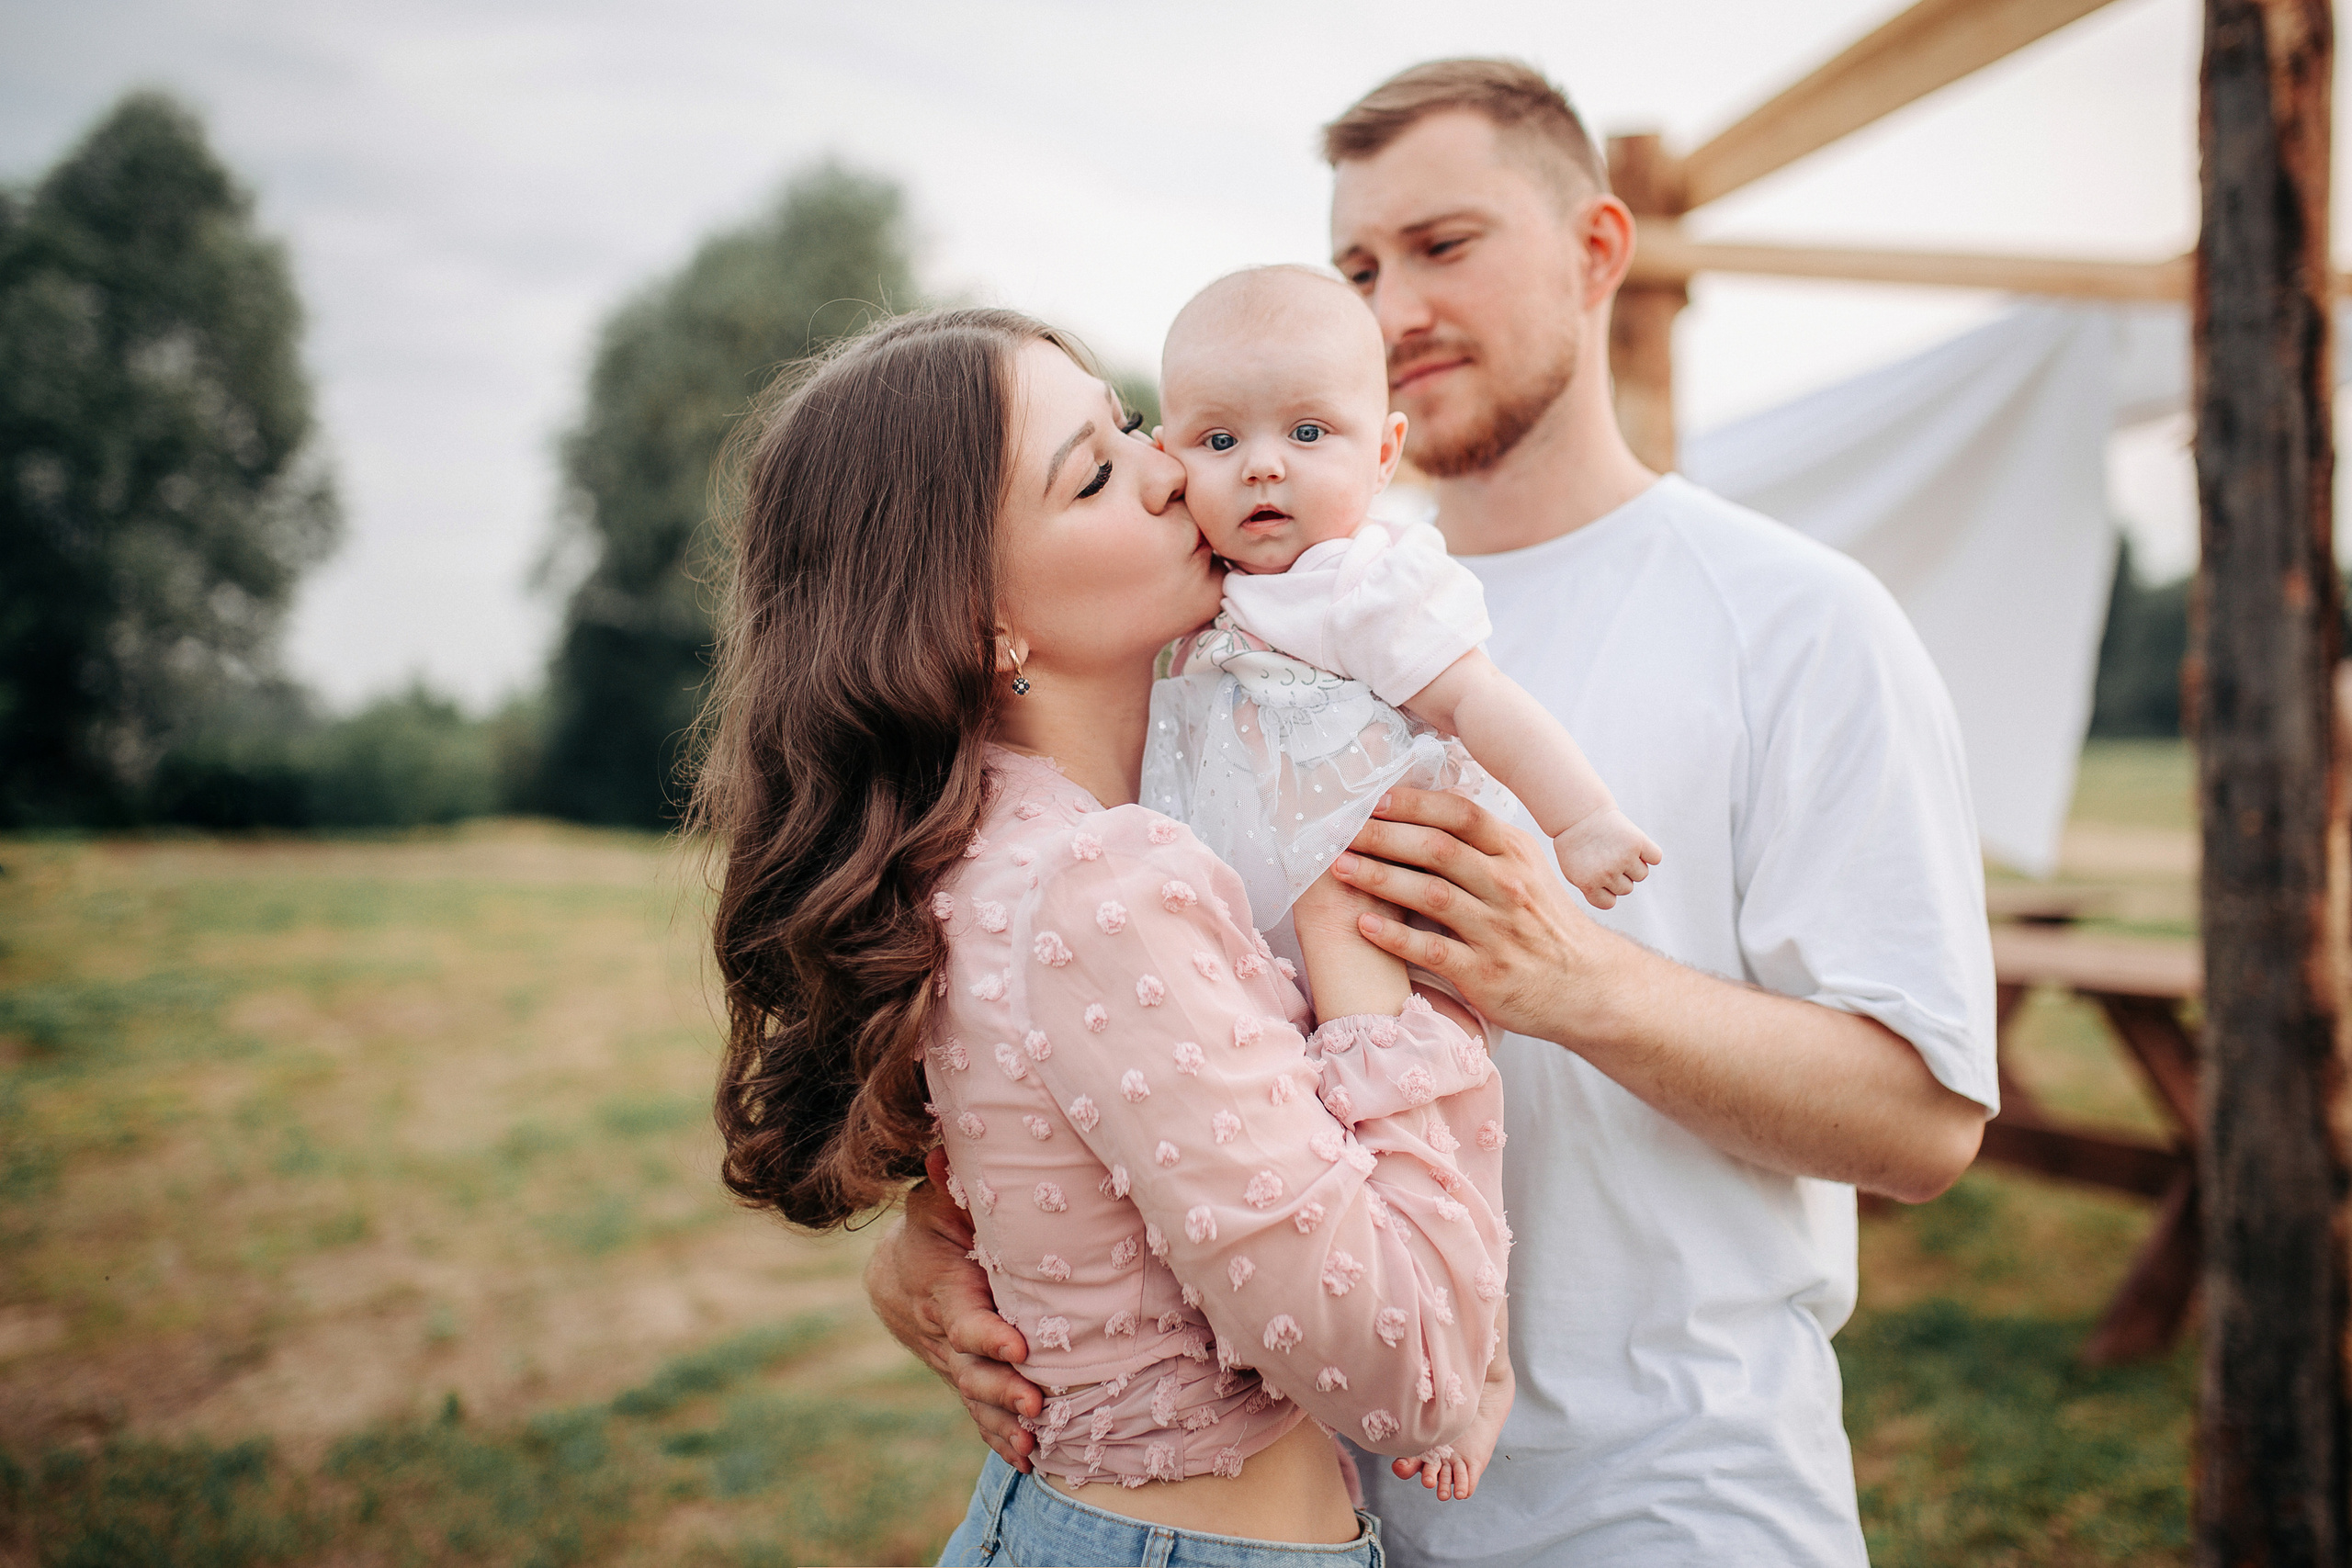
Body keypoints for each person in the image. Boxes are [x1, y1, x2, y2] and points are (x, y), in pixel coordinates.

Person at [865, 59, 1999, 1567]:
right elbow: (1079, 991)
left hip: (1664, 1503)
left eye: (1444, 246)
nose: (1393, 306)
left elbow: (1926, 1120)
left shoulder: (1797, 621)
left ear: (1601, 251)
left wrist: (1577, 983)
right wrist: (929, 1243)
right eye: (1356, 264)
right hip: (1321, 1499)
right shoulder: (1228, 617)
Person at [695, 304, 1514, 1568]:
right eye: (1095, 473)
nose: (1172, 466)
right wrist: (1373, 989)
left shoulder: (984, 846)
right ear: (978, 625)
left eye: (1129, 422)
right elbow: (1413, 1371)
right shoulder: (1102, 881)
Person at [1146, 265, 1660, 928]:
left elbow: (1480, 698)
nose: (1262, 465)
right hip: (1262, 919)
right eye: (1220, 440)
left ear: (1385, 453)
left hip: (1388, 906)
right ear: (1167, 457)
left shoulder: (1362, 581)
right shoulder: (1200, 578)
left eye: (1307, 433)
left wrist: (1582, 820)